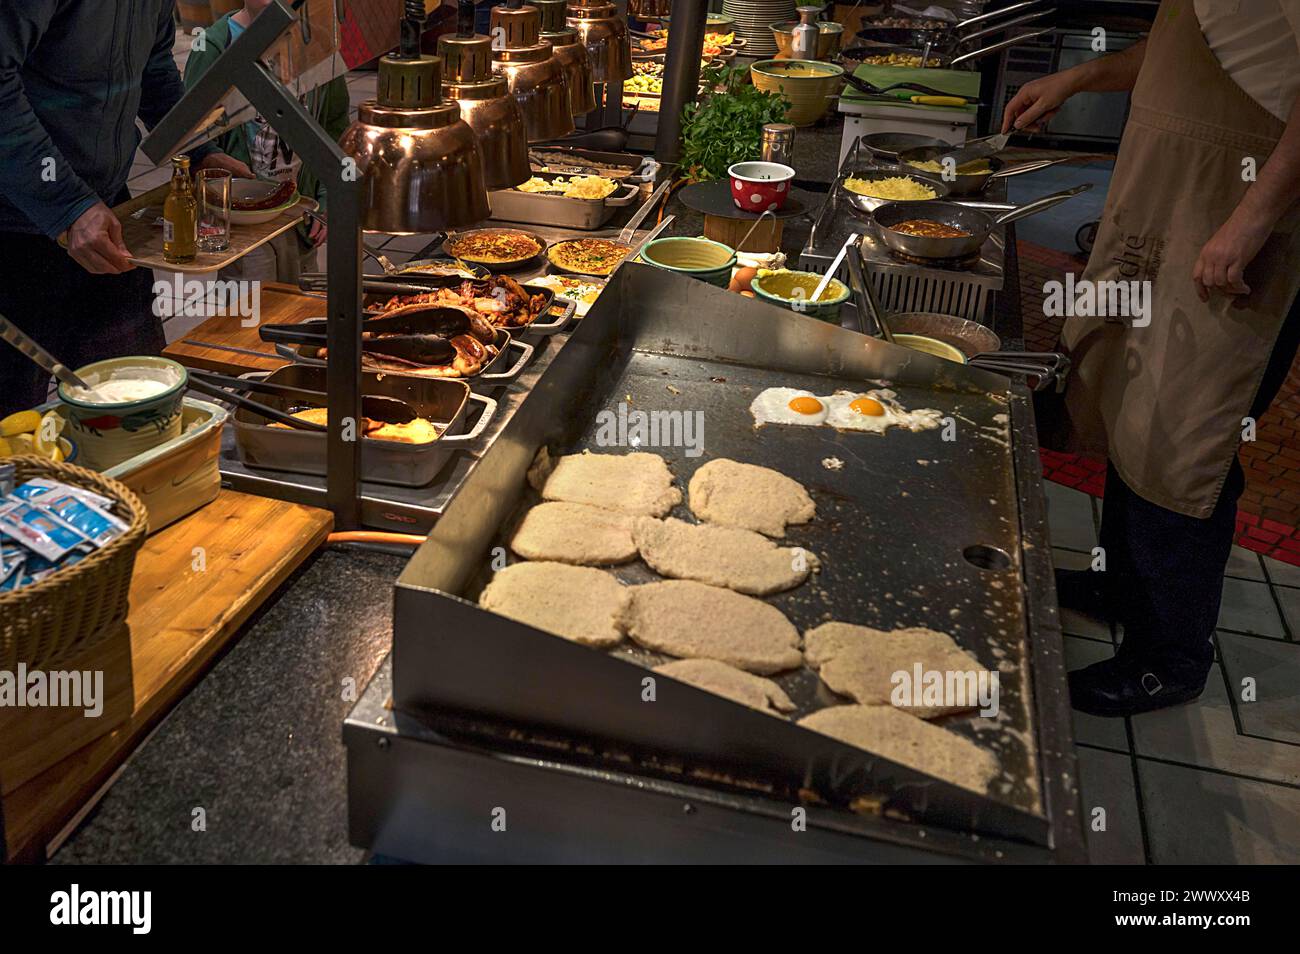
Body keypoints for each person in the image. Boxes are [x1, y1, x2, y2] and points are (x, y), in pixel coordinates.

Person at [1002, 0, 1300, 716]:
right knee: (1128, 399)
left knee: (1186, 427)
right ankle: (1121, 589)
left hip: (1235, 220)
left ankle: (1170, 657)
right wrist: (1080, 78)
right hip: (1171, 201)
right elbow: (1191, 47)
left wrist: (1247, 226)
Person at [0, 1, 252, 417]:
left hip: (101, 208)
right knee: (12, 427)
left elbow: (153, 69)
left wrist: (199, 148)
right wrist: (66, 204)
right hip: (16, 222)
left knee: (139, 404)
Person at [184, 0, 350, 283]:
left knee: (297, 309)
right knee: (249, 311)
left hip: (299, 214)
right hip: (241, 221)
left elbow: (335, 128)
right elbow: (191, 138)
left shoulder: (316, 43)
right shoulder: (215, 46)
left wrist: (329, 197)